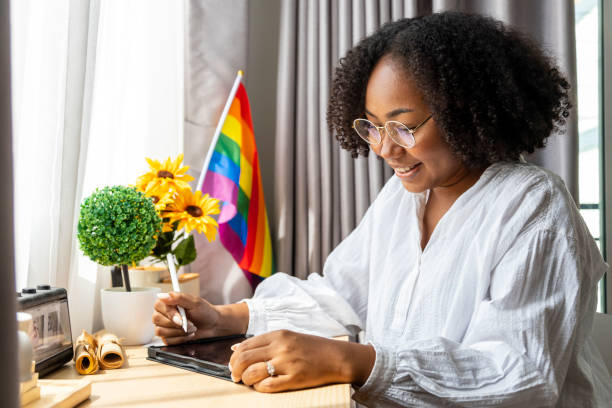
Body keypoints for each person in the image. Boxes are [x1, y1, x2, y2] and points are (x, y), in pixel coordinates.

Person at [152, 11, 612, 406]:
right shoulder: (404, 196)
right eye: (371, 127)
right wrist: (224, 317)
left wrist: (356, 361)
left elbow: (520, 376)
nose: (384, 150)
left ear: (468, 114)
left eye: (404, 128)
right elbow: (341, 296)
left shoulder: (535, 208)